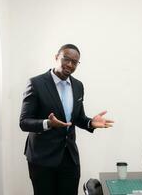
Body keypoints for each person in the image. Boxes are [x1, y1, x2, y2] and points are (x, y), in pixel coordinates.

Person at [19, 44, 114, 195]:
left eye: (74, 62)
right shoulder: (36, 83)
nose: (70, 64)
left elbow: (78, 118)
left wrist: (90, 123)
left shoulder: (78, 86)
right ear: (56, 57)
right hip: (42, 159)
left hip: (69, 158)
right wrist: (48, 123)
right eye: (66, 59)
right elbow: (24, 122)